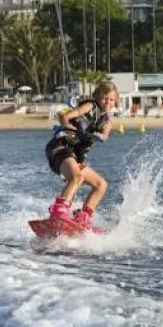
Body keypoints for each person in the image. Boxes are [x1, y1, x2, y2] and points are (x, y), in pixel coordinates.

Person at [45, 82, 118, 230]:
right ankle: (58, 212)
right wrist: (69, 126)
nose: (108, 102)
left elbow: (105, 136)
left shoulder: (107, 123)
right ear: (97, 96)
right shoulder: (90, 106)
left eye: (111, 99)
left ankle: (83, 218)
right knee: (77, 177)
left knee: (101, 185)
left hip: (74, 157)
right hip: (60, 148)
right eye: (104, 98)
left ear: (115, 101)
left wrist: (98, 136)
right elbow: (64, 116)